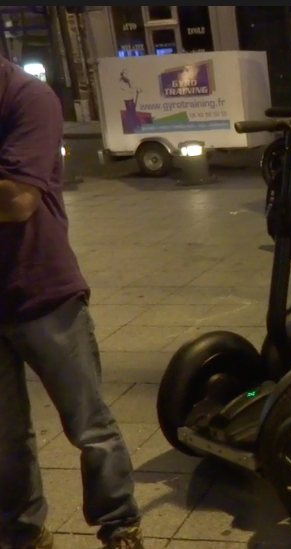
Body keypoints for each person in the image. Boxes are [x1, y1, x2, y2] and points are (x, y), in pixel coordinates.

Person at [0, 57, 144, 549]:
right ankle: (23, 532)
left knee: (90, 427)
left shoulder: (26, 97)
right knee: (5, 437)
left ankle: (119, 524)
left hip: (43, 291)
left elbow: (17, 200)